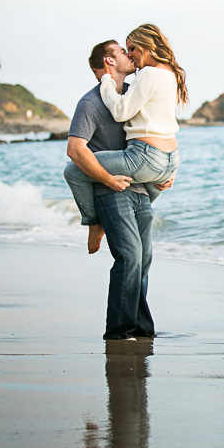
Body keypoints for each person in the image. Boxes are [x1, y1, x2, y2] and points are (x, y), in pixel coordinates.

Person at [64, 40, 168, 340]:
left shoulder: (132, 95)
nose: (130, 54)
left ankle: (142, 329)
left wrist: (161, 171)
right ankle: (119, 332)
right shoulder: (91, 103)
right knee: (130, 256)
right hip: (110, 192)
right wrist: (108, 180)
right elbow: (75, 149)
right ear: (110, 62)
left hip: (140, 190)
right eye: (123, 51)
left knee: (144, 259)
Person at [64, 24, 186, 236]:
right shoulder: (171, 73)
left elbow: (121, 112)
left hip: (146, 157)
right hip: (171, 160)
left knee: (73, 171)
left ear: (145, 46)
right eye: (126, 50)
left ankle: (94, 223)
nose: (130, 55)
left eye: (132, 49)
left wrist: (106, 82)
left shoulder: (148, 73)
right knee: (139, 227)